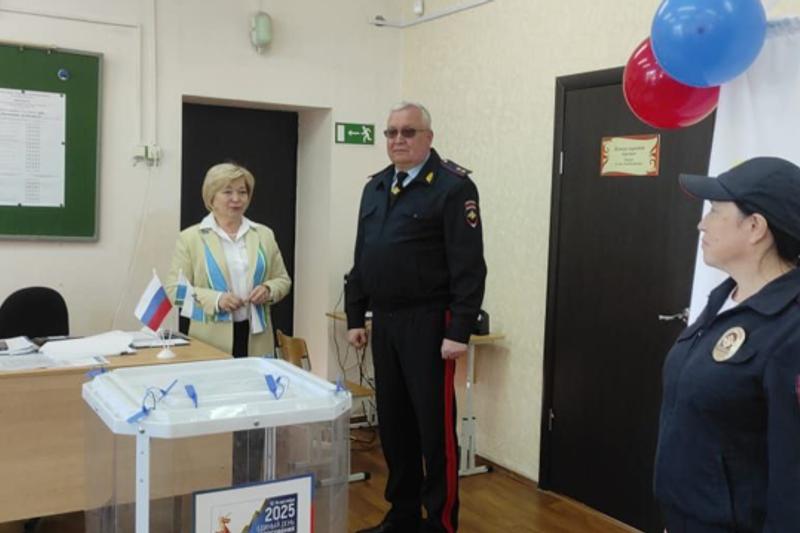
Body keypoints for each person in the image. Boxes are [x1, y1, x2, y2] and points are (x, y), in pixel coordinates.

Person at [346, 102, 487, 533]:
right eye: (391, 132)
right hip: (385, 321)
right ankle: (402, 514)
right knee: (394, 425)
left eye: (408, 132)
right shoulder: (376, 187)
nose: (398, 140)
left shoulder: (452, 187)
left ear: (428, 137)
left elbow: (469, 266)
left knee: (434, 429)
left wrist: (459, 330)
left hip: (429, 323)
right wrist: (355, 315)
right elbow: (363, 256)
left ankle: (440, 521)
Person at [654, 157, 800, 532]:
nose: (702, 223)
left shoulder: (790, 330)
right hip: (683, 517)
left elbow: (793, 479)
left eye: (716, 211)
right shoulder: (725, 298)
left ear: (755, 227)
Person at [167, 162, 291, 483]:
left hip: (255, 337)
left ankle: (252, 479)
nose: (236, 199)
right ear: (211, 197)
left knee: (254, 414)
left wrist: (269, 289)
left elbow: (283, 280)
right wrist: (216, 299)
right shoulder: (191, 238)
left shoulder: (263, 234)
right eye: (228, 192)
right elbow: (175, 291)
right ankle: (215, 480)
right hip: (212, 341)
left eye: (242, 192)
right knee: (217, 413)